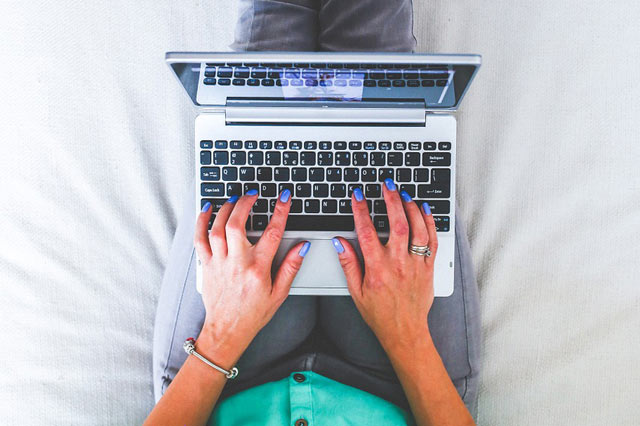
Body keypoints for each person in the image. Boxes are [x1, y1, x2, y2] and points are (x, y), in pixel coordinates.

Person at [147, 0, 481, 424]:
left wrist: (221, 333)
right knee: (379, 72)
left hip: (218, 379)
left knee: (262, 76)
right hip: (409, 385)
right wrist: (408, 335)